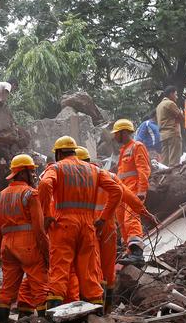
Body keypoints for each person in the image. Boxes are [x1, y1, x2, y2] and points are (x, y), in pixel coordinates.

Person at [40, 137, 122, 308]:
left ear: (59, 153)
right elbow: (117, 190)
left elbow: (45, 184)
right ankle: (95, 317)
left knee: (59, 272)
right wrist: (103, 219)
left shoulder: (56, 168)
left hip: (64, 224)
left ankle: (54, 318)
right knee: (90, 275)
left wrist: (46, 214)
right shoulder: (94, 170)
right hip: (88, 226)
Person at [76, 146, 152, 311]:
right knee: (108, 267)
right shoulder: (109, 176)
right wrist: (144, 211)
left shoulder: (78, 180)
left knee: (93, 267)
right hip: (108, 227)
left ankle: (96, 308)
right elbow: (128, 196)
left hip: (90, 226)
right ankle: (108, 307)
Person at [0, 154, 48, 323]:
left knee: (6, 291)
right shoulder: (31, 194)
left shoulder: (0, 196)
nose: (33, 175)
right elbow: (39, 229)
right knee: (40, 288)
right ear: (22, 173)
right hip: (28, 246)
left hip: (7, 246)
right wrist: (47, 253)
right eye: (31, 171)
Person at [113, 119, 151, 264]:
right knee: (122, 221)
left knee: (131, 219)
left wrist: (142, 190)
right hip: (123, 192)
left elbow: (143, 169)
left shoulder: (137, 146)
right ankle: (129, 252)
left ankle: (137, 253)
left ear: (124, 132)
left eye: (116, 133)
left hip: (134, 190)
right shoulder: (123, 150)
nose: (115, 136)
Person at [156, 86, 183, 166]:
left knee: (165, 161)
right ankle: (174, 174)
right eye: (176, 94)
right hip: (172, 133)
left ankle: (164, 173)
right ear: (171, 94)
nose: (177, 97)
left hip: (163, 136)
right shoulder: (170, 103)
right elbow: (181, 117)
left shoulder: (159, 106)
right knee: (174, 161)